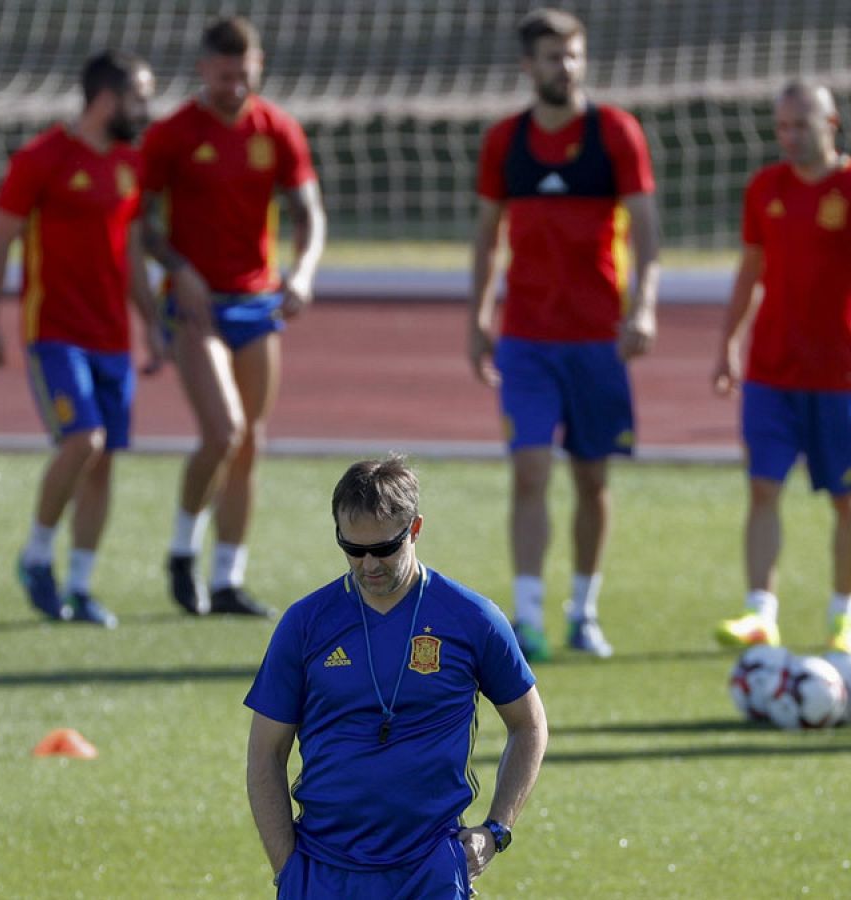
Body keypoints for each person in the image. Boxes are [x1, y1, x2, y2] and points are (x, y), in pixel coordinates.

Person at [245, 455, 547, 897]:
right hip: (323, 870)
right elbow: (264, 754)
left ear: (416, 529)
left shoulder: (473, 619)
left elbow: (530, 724)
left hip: (431, 870)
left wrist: (496, 829)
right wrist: (286, 869)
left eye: (385, 549)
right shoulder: (306, 624)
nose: (369, 565)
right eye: (353, 549)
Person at [468, 8, 661, 662]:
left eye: (574, 54)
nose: (566, 67)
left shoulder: (616, 135)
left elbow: (645, 231)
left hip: (596, 338)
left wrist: (643, 309)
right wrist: (478, 316)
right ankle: (525, 620)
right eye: (552, 56)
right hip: (527, 338)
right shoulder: (505, 141)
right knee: (529, 470)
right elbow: (487, 237)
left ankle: (584, 610)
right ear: (529, 65)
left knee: (591, 480)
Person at [712, 82, 851, 657]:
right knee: (762, 488)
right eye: (783, 126)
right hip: (771, 372)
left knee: (846, 499)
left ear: (832, 123)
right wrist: (729, 342)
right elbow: (750, 270)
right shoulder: (765, 188)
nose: (791, 136)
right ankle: (759, 613)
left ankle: (844, 618)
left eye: (802, 124)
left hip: (840, 376)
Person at [139, 15, 326, 619]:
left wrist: (303, 273)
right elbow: (142, 222)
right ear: (203, 71)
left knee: (250, 444)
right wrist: (177, 266)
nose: (233, 85)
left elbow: (308, 213)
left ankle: (227, 580)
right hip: (197, 304)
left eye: (243, 73)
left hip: (256, 300)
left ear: (258, 65)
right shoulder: (173, 134)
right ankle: (181, 552)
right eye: (222, 75)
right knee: (223, 431)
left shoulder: (276, 130)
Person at [0, 51, 164, 629]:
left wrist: (150, 322)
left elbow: (129, 251)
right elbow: (0, 242)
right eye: (140, 97)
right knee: (83, 440)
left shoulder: (132, 162)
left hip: (113, 336)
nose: (146, 109)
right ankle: (35, 558)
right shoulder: (41, 159)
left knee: (103, 463)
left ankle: (79, 586)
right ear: (107, 99)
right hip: (54, 333)